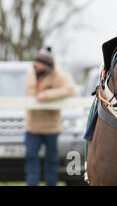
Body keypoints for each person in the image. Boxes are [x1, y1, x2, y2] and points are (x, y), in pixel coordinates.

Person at [25, 47, 76, 186]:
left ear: (47, 65)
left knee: (51, 161)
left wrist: (47, 95)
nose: (36, 65)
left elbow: (70, 90)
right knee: (31, 159)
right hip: (32, 127)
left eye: (40, 62)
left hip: (51, 127)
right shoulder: (30, 73)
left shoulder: (59, 76)